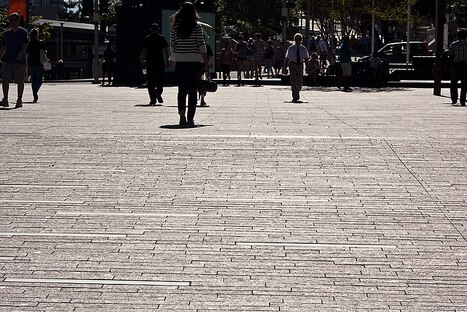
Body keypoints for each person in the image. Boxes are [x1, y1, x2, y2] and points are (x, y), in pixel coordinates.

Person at [169, 2, 208, 126]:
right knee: (192, 90)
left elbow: (173, 44)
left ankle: (181, 115)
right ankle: (190, 119)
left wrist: (177, 55)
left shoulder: (175, 27)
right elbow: (201, 44)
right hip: (195, 62)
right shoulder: (197, 27)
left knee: (181, 89)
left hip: (180, 61)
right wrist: (206, 60)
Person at [0, 13, 29, 108]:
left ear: (18, 21)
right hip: (7, 59)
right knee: (5, 80)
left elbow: (25, 44)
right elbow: (3, 47)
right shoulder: (6, 33)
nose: (12, 22)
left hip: (19, 60)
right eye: (10, 20)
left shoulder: (23, 32)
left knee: (20, 81)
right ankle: (5, 99)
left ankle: (19, 99)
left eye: (14, 20)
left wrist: (21, 53)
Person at [140, 23, 170, 106]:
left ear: (151, 29)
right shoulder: (162, 38)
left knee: (151, 81)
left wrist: (143, 60)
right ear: (158, 29)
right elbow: (166, 50)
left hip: (150, 62)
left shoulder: (147, 38)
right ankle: (158, 93)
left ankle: (152, 99)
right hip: (160, 61)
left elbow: (144, 51)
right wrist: (167, 60)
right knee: (160, 80)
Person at [284, 33, 309, 103]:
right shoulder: (291, 48)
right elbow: (287, 58)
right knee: (293, 81)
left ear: (301, 40)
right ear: (294, 39)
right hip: (292, 65)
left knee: (300, 82)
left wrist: (307, 67)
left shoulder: (303, 48)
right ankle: (294, 97)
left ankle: (297, 93)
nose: (298, 40)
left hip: (300, 65)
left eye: (299, 39)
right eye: (296, 39)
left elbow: (306, 58)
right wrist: (285, 67)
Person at [26, 28, 46, 103]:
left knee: (33, 80)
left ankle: (34, 93)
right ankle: (35, 92)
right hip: (39, 63)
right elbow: (44, 52)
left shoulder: (29, 43)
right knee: (39, 80)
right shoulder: (41, 43)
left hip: (31, 63)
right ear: (37, 34)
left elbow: (26, 52)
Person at [448, 28, 467, 106]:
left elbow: (449, 53)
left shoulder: (454, 44)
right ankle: (462, 100)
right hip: (465, 65)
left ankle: (454, 99)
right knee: (464, 84)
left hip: (456, 65)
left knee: (453, 83)